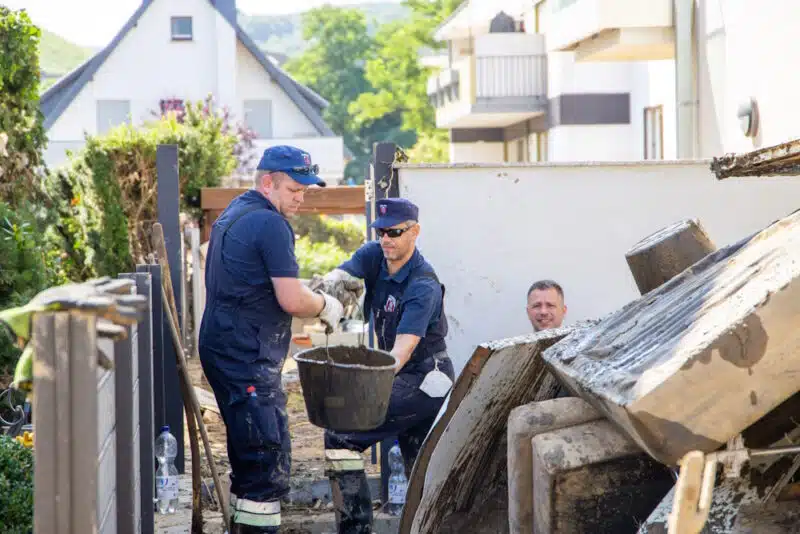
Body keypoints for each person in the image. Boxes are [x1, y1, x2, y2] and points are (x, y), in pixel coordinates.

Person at [198, 145, 345, 534]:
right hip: (246, 358)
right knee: (266, 461)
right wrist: (326, 305)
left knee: (249, 457)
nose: (301, 198)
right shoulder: (271, 225)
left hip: (225, 349)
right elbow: (292, 298)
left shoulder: (235, 212)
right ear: (268, 183)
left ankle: (242, 523)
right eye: (295, 188)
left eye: (305, 189)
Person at [313, 198, 455, 533]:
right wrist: (325, 293)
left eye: (395, 231)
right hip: (401, 375)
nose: (386, 239)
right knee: (418, 462)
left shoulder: (423, 285)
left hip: (423, 378)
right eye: (381, 232)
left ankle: (355, 529)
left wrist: (362, 385)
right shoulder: (375, 254)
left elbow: (401, 353)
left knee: (341, 435)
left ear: (415, 232)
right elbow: (344, 273)